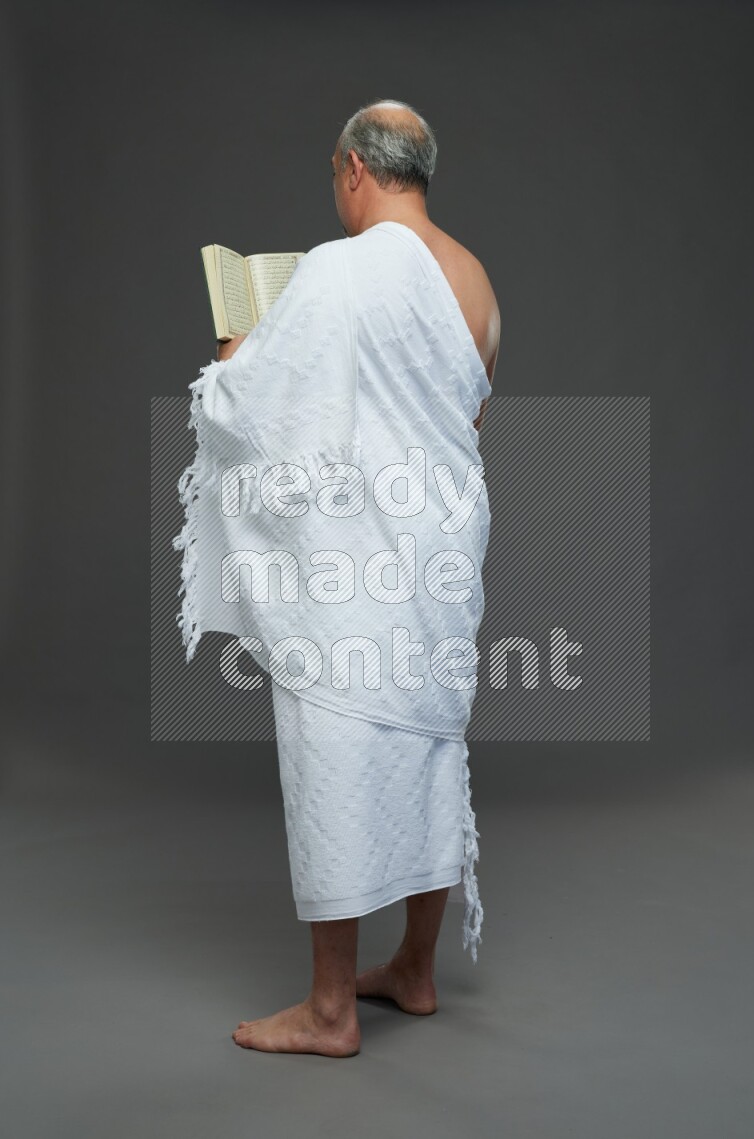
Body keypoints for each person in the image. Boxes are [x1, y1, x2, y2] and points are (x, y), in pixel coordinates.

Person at [216, 99, 500, 1057]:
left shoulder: (339, 269)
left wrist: (228, 355)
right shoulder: (474, 278)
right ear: (422, 168)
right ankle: (413, 970)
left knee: (332, 748)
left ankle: (332, 1008)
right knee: (428, 748)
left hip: (353, 569)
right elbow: (463, 430)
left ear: (351, 169)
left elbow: (257, 403)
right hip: (441, 553)